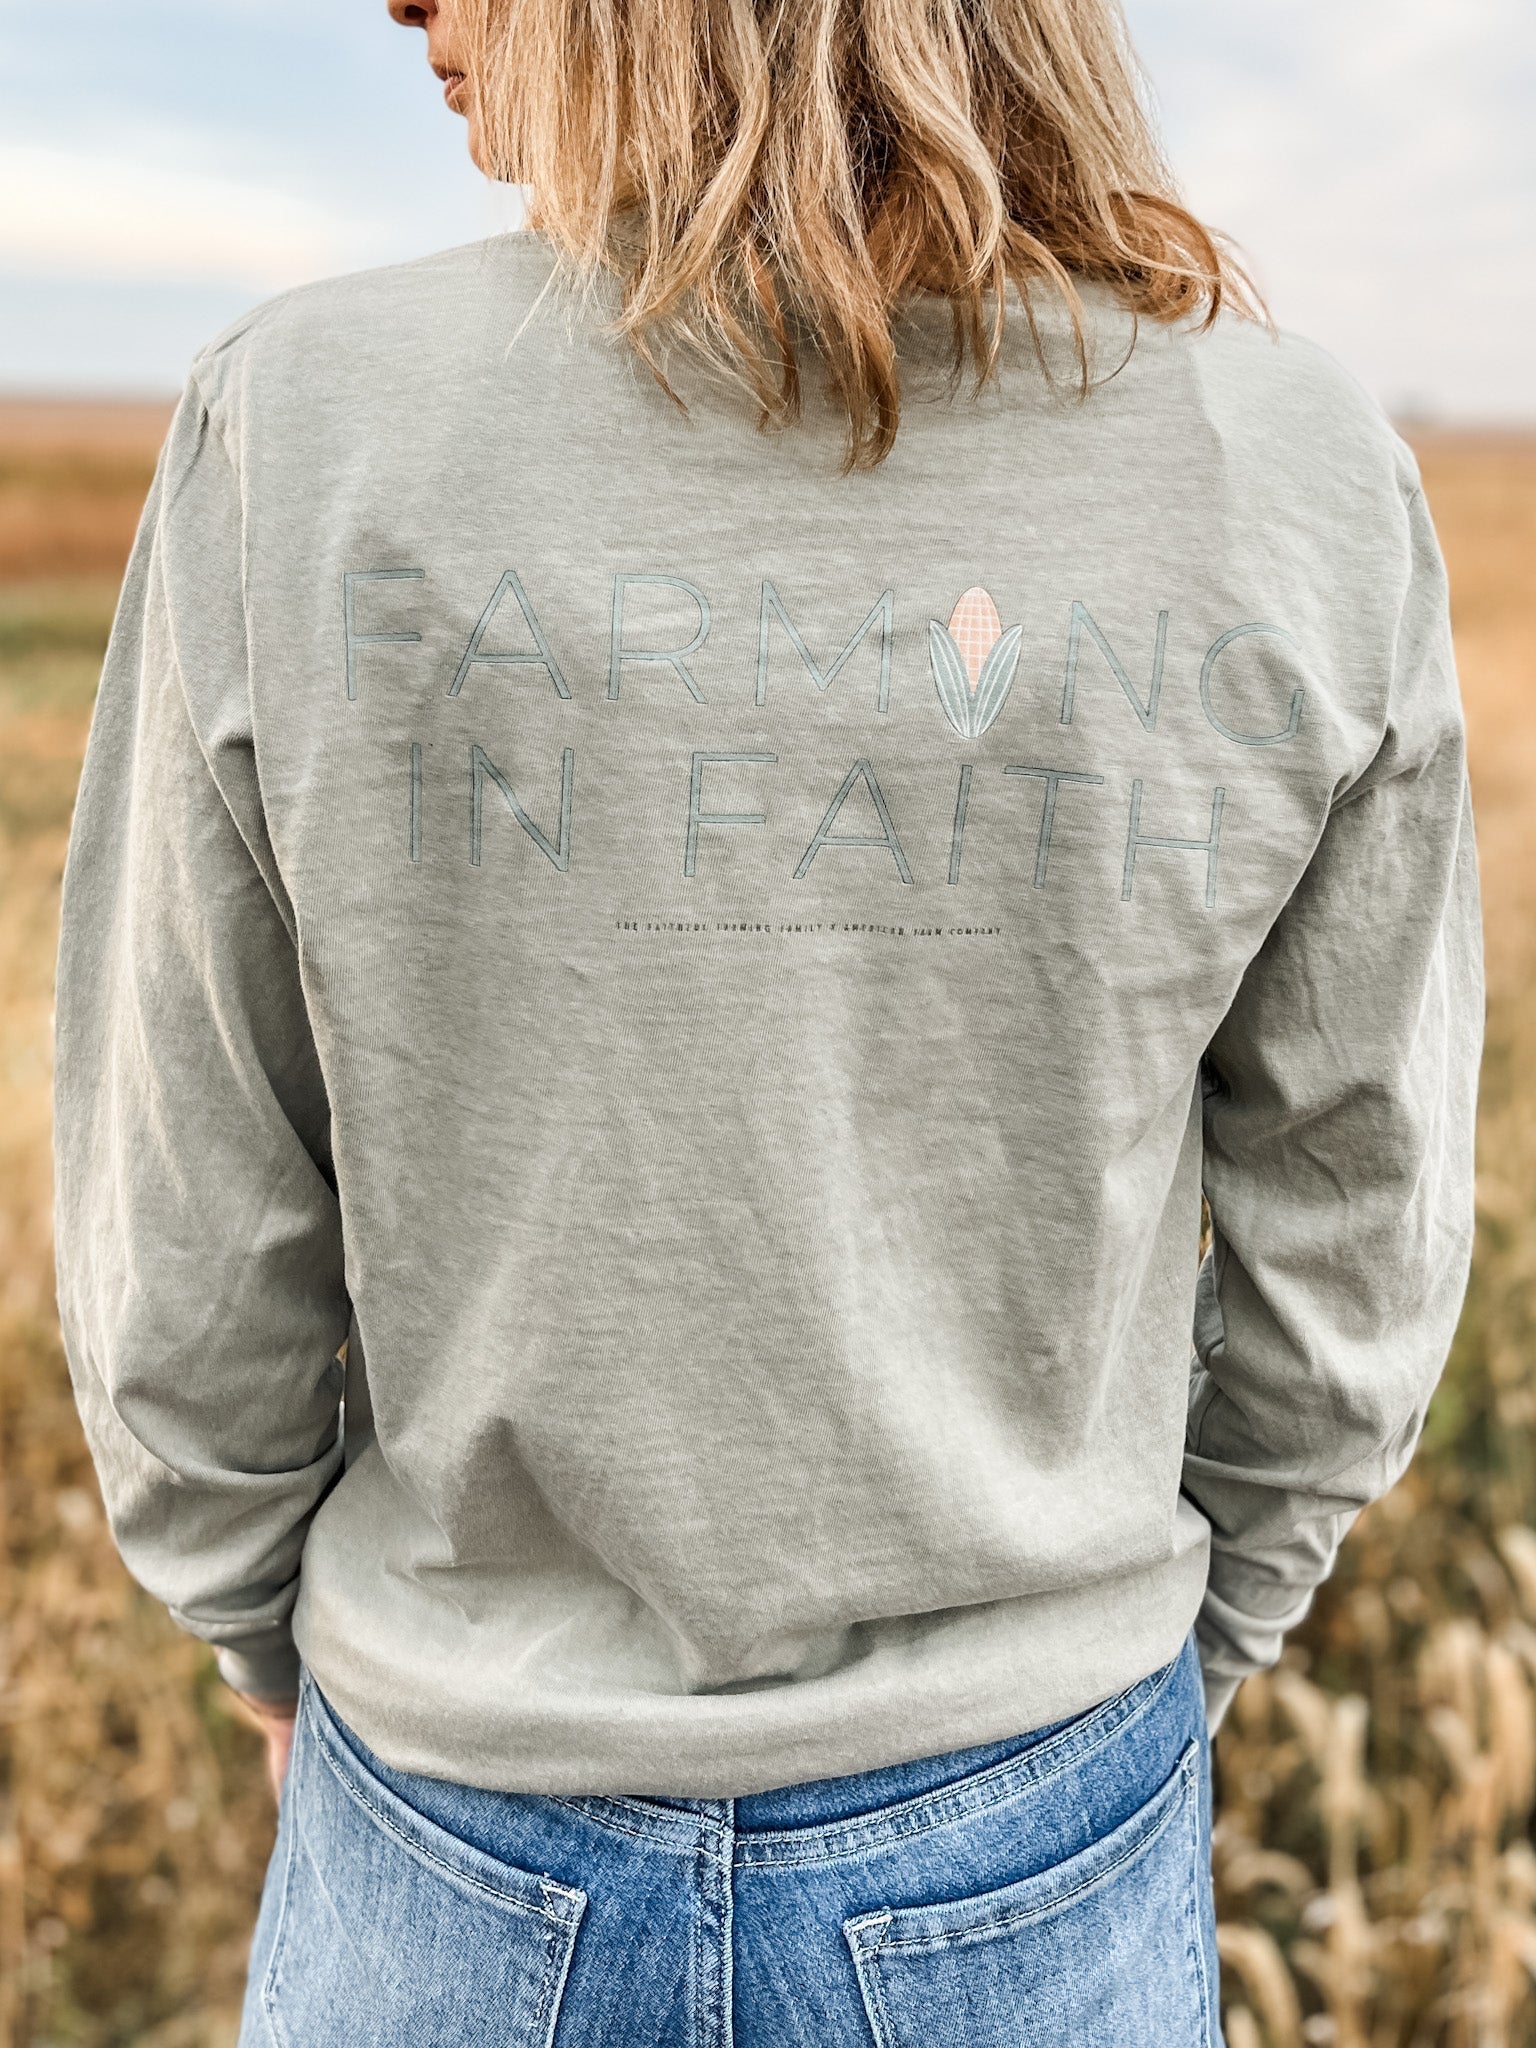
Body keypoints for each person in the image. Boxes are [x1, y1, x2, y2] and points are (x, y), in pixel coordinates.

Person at [52, 0, 1481, 2038]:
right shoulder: (1297, 469)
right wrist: (1166, 1650)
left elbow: (182, 1235)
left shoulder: (301, 426)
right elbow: (1362, 1221)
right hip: (1041, 1825)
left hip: (457, 1830)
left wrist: (281, 1655)